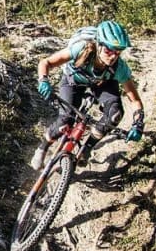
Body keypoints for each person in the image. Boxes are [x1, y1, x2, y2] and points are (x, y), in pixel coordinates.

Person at [31, 20, 145, 170]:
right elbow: (46, 62)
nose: (112, 57)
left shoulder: (119, 67)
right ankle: (42, 147)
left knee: (115, 114)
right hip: (73, 80)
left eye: (117, 52)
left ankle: (87, 148)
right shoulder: (81, 49)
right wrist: (43, 80)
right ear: (99, 44)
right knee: (65, 120)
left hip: (102, 83)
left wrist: (138, 125)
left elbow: (135, 100)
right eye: (108, 51)